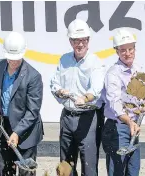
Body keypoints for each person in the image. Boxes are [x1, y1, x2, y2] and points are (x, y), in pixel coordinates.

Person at [50, 19, 105, 176]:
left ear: (88, 41)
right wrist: (59, 91)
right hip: (67, 116)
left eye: (83, 40)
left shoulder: (95, 62)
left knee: (88, 165)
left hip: (88, 118)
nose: (79, 44)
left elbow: (96, 89)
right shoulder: (64, 60)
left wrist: (85, 98)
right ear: (70, 41)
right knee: (66, 165)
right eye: (76, 40)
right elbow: (54, 83)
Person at [0, 31, 44, 176]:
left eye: (17, 59)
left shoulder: (33, 76)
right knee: (6, 170)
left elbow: (33, 111)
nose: (13, 62)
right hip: (5, 126)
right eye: (10, 58)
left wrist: (17, 132)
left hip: (26, 131)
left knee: (26, 172)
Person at [101, 28, 145, 176]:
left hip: (133, 126)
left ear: (135, 49)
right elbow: (114, 103)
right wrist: (129, 122)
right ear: (116, 51)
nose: (127, 53)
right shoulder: (113, 74)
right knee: (117, 171)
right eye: (123, 50)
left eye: (130, 49)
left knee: (133, 171)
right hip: (117, 128)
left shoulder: (138, 69)